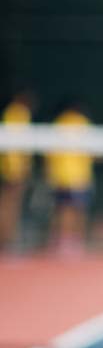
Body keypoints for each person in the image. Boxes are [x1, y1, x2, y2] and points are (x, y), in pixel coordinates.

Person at [45, 97, 94, 257]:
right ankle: (74, 242)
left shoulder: (58, 124)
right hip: (79, 175)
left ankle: (62, 241)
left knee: (62, 209)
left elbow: (49, 153)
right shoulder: (83, 124)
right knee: (77, 210)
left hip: (60, 175)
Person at [0, 90, 36, 255]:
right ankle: (6, 241)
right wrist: (19, 169)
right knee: (10, 205)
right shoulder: (18, 113)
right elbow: (15, 145)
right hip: (14, 170)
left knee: (10, 205)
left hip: (12, 168)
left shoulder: (14, 113)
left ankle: (7, 241)